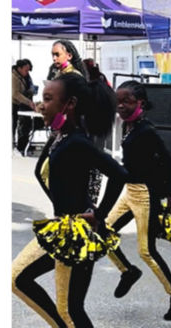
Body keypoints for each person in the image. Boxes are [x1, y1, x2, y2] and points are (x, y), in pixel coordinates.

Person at [11, 72, 125, 328]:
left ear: (69, 104)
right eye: (42, 98)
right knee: (18, 279)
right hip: (60, 229)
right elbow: (45, 173)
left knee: (72, 307)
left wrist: (98, 215)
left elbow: (119, 174)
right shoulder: (60, 136)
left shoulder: (77, 141)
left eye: (48, 99)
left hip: (77, 235)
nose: (40, 104)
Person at [104, 80, 171, 320]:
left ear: (140, 103)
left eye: (127, 101)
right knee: (102, 233)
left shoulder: (147, 131)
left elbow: (169, 161)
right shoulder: (130, 126)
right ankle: (128, 271)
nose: (121, 106)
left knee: (147, 251)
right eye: (118, 101)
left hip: (145, 195)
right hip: (130, 192)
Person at [49, 40, 103, 206]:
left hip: (72, 131)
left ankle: (80, 209)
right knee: (48, 172)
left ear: (69, 55)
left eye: (57, 54)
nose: (54, 59)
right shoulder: (60, 74)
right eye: (52, 55)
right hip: (62, 130)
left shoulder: (74, 77)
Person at [13, 59, 35, 155]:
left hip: (20, 104)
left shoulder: (23, 77)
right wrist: (28, 102)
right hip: (14, 104)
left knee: (20, 125)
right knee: (14, 126)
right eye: (26, 70)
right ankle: (15, 147)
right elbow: (15, 94)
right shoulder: (13, 77)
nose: (27, 73)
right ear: (19, 68)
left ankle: (19, 146)